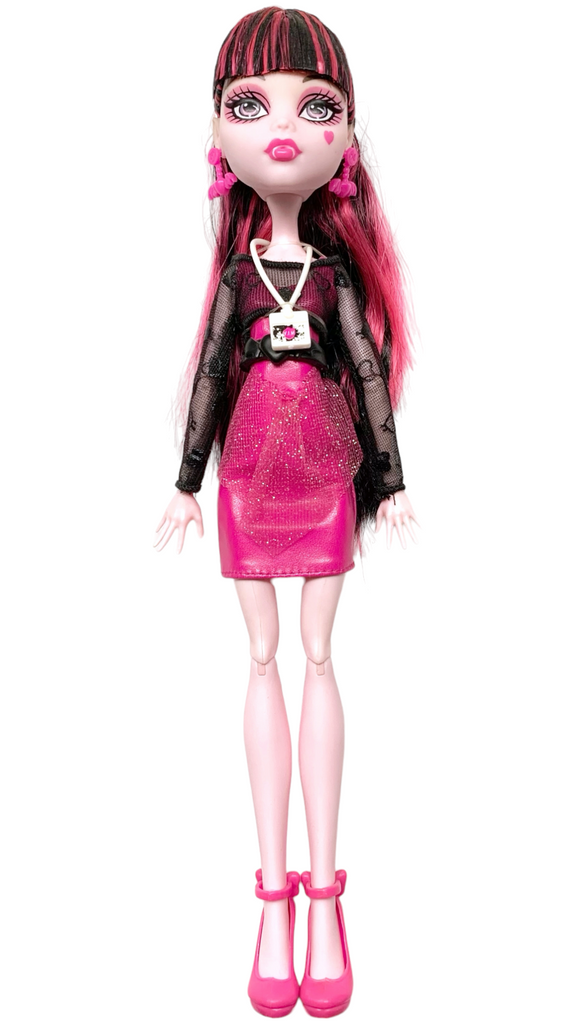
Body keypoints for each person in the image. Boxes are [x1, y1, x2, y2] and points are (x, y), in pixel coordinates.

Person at [155, 8, 417, 1017]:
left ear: (343, 142)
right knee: (263, 659)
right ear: (219, 138)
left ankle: (326, 896)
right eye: (249, 104)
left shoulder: (333, 276)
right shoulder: (239, 276)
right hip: (248, 475)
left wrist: (390, 479)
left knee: (316, 657)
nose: (280, 127)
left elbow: (368, 373)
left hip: (323, 470)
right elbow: (209, 379)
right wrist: (187, 479)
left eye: (315, 108)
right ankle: (274, 899)